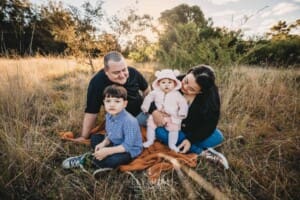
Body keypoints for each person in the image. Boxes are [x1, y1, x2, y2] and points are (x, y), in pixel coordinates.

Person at [152, 65, 229, 169]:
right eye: (186, 81)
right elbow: (152, 96)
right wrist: (155, 111)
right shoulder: (174, 81)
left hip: (193, 129)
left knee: (218, 137)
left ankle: (185, 144)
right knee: (160, 132)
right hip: (172, 127)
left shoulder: (211, 99)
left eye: (192, 89)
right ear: (189, 72)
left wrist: (190, 140)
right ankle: (203, 153)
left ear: (201, 92)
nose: (184, 87)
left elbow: (210, 124)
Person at [62, 85, 143, 173]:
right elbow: (110, 134)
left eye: (117, 101)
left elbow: (127, 146)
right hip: (115, 142)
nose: (112, 105)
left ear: (124, 104)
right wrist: (104, 143)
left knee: (114, 160)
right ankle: (100, 157)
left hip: (129, 150)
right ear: (104, 103)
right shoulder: (109, 115)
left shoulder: (130, 121)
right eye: (108, 101)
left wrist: (108, 151)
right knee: (95, 138)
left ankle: (88, 161)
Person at [73, 51, 150, 143]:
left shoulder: (133, 72)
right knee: (99, 140)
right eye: (116, 72)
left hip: (140, 114)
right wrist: (84, 136)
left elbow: (146, 90)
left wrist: (149, 107)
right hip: (118, 119)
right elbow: (91, 112)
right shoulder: (97, 83)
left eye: (124, 69)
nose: (122, 75)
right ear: (106, 72)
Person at [141, 69, 188, 152]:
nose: (166, 85)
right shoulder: (156, 92)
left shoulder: (177, 94)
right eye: (163, 82)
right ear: (159, 84)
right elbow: (148, 98)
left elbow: (183, 104)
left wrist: (182, 113)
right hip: (158, 114)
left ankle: (172, 144)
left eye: (170, 82)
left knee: (174, 129)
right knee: (150, 125)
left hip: (171, 116)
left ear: (174, 83)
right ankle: (150, 140)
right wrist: (145, 107)